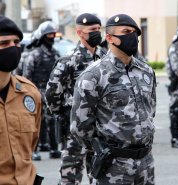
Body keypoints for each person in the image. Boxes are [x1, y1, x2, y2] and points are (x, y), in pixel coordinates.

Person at [71, 14, 156, 185]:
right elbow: (80, 126)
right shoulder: (93, 75)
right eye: (126, 32)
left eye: (134, 33)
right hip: (113, 165)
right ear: (110, 38)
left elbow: (150, 110)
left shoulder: (146, 71)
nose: (133, 37)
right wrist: (103, 150)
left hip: (145, 163)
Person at [45, 13, 105, 185]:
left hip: (99, 128)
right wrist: (63, 113)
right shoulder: (68, 60)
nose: (97, 33)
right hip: (74, 130)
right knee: (70, 177)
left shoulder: (103, 58)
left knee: (100, 175)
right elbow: (52, 93)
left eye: (99, 29)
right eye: (92, 30)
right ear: (80, 33)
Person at [0, 15, 42, 185]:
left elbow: (30, 146)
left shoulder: (29, 93)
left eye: (16, 43)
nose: (13, 48)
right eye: (4, 43)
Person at [23, 21, 61, 160]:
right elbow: (27, 76)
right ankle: (35, 149)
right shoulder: (34, 54)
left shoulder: (56, 54)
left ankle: (54, 148)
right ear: (43, 36)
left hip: (52, 92)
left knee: (53, 120)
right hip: (36, 91)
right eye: (49, 34)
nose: (51, 37)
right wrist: (29, 94)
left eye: (53, 34)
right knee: (37, 121)